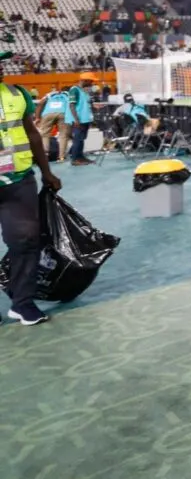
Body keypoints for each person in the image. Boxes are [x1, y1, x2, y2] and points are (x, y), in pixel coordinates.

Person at [0, 51, 64, 325]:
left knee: (26, 241)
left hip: (18, 179)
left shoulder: (16, 94)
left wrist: (46, 171)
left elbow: (31, 133)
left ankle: (22, 303)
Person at [67, 73, 98, 166]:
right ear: (85, 80)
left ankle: (81, 157)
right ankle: (75, 159)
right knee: (77, 139)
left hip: (85, 119)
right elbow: (71, 105)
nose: (92, 83)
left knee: (81, 139)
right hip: (78, 120)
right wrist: (76, 119)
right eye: (90, 81)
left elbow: (85, 105)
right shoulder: (74, 90)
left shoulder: (83, 91)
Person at [39, 86, 72, 162]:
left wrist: (37, 117)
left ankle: (45, 156)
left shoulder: (51, 94)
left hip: (48, 113)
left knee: (45, 135)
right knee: (63, 136)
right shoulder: (69, 95)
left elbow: (41, 103)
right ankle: (61, 157)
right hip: (63, 113)